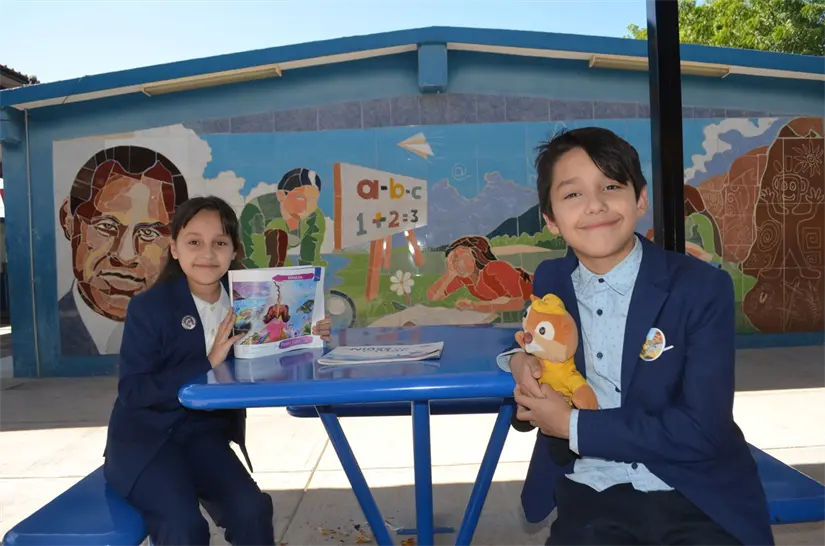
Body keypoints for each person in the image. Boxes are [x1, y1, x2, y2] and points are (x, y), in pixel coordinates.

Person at [499, 128, 773, 546]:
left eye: (611, 185)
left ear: (640, 199)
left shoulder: (700, 288)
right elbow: (536, 344)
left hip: (693, 493)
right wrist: (520, 362)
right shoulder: (552, 279)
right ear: (551, 219)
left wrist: (571, 425)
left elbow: (701, 429)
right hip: (592, 492)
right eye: (572, 194)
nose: (595, 204)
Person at [103, 195, 332, 546]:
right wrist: (206, 362)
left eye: (219, 243)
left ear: (234, 250)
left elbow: (271, 356)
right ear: (175, 248)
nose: (207, 254)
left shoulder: (247, 301)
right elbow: (133, 392)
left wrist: (307, 335)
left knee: (252, 509)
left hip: (203, 437)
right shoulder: (149, 308)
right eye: (194, 242)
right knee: (184, 527)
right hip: (145, 442)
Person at [58, 145, 189, 355]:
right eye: (106, 226)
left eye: (148, 233)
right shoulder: (52, 333)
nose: (125, 256)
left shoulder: (188, 328)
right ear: (69, 221)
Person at [239, 167, 326, 269]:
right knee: (278, 236)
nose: (306, 206)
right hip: (241, 259)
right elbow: (255, 257)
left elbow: (311, 259)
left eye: (313, 199)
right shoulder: (256, 211)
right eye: (299, 197)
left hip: (276, 258)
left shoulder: (314, 216)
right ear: (282, 195)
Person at [426, 235, 533, 313]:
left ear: (476, 255)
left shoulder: (496, 268)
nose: (456, 262)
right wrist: (450, 273)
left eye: (459, 257)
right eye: (453, 259)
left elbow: (517, 303)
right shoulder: (465, 278)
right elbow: (433, 296)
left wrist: (475, 306)